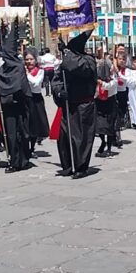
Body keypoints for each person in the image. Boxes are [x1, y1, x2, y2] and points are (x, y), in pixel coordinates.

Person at [52, 30, 98, 178]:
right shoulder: (65, 61)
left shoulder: (88, 60)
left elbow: (77, 67)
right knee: (64, 137)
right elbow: (57, 79)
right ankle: (67, 165)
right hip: (68, 104)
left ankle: (80, 166)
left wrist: (66, 52)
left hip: (84, 106)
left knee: (81, 138)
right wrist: (59, 91)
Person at [0, 21, 33, 173]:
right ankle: (13, 159)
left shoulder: (17, 66)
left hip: (19, 106)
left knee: (21, 134)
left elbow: (22, 86)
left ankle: (21, 160)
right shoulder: (2, 68)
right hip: (7, 108)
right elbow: (0, 85)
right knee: (10, 135)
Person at [23, 48, 49, 155]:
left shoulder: (40, 71)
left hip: (35, 99)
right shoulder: (22, 70)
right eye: (27, 59)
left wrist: (26, 74)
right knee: (26, 124)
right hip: (25, 98)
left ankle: (32, 147)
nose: (29, 62)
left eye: (31, 59)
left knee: (34, 124)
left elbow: (36, 83)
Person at [95, 59, 120, 157]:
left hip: (110, 103)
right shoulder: (96, 80)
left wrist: (101, 83)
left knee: (109, 127)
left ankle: (109, 148)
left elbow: (108, 87)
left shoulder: (114, 79)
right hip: (99, 104)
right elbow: (95, 92)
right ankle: (102, 142)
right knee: (100, 127)